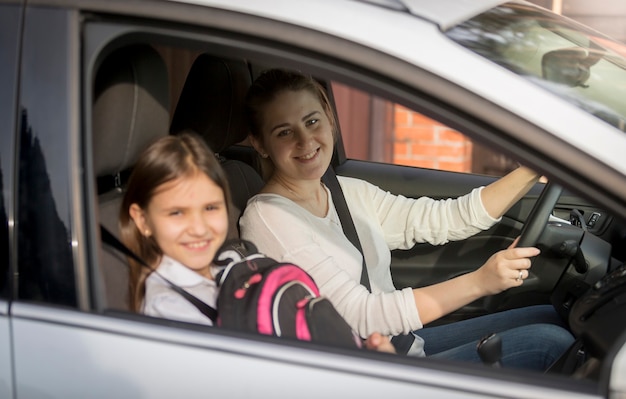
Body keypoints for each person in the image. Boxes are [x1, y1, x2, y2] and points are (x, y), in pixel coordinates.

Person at [239, 68, 574, 370]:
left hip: (404, 345)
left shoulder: (345, 192)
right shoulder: (269, 217)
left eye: (312, 121)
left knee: (555, 316)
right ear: (260, 144)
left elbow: (449, 218)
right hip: (368, 373)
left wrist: (537, 165)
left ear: (329, 117)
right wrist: (480, 281)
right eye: (284, 132)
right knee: (551, 344)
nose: (305, 140)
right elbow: (360, 317)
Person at [118, 131, 395, 353]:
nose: (199, 227)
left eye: (211, 208)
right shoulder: (170, 309)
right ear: (142, 220)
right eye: (177, 213)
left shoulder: (222, 268)